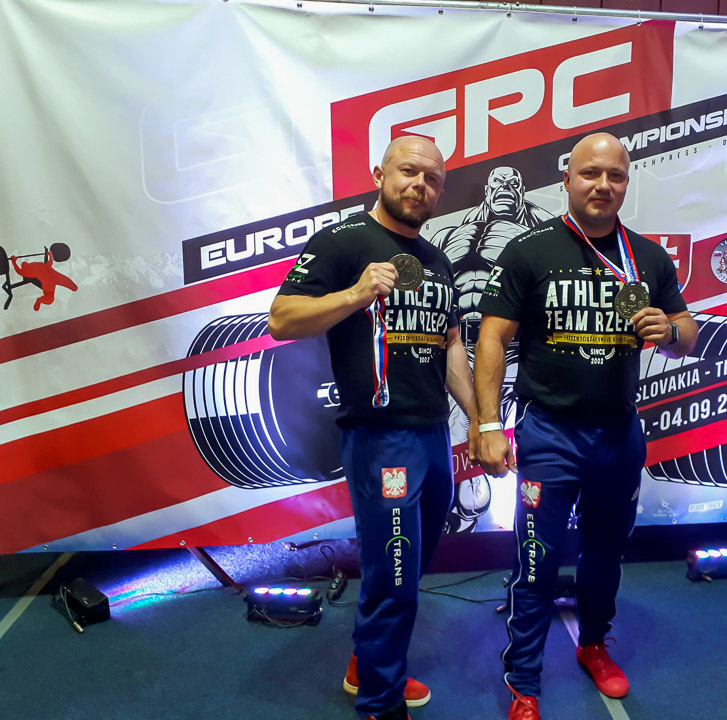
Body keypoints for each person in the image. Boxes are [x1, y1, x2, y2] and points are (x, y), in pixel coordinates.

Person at [473, 133, 698, 720]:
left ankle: (594, 642)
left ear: (626, 183)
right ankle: (524, 681)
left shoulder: (647, 257)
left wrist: (670, 332)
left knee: (605, 552)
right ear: (567, 180)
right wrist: (489, 423)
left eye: (615, 176)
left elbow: (687, 332)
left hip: (617, 435)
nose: (603, 185)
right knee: (536, 558)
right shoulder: (529, 250)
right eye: (590, 173)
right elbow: (492, 336)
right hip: (549, 433)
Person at [268, 135, 478, 720]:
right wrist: (356, 293)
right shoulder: (342, 241)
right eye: (408, 171)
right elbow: (282, 318)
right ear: (379, 174)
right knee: (395, 575)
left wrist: (480, 419)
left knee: (409, 565)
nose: (420, 185)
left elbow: (450, 344)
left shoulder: (435, 259)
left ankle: (367, 662)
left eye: (432, 179)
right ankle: (381, 705)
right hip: (380, 439)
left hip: (433, 435)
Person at [430, 166, 553, 532]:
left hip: (519, 353)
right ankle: (465, 525)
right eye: (498, 182)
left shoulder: (544, 232)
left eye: (513, 182)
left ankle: (539, 530)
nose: (505, 188)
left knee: (533, 450)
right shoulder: (449, 235)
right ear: (486, 189)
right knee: (462, 445)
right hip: (462, 348)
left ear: (522, 191)